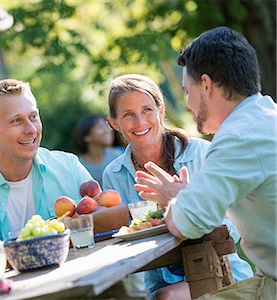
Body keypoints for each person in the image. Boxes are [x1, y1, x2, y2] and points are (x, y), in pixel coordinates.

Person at [134, 27, 276, 299]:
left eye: (188, 91)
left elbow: (186, 224)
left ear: (207, 85)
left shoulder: (238, 138)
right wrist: (187, 197)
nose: (187, 103)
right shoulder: (264, 115)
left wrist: (174, 200)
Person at [103, 74, 253, 299]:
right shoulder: (114, 175)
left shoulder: (200, 153)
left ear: (160, 111)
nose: (140, 122)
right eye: (128, 115)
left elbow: (232, 229)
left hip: (220, 272)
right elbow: (122, 240)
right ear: (114, 122)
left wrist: (187, 205)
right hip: (161, 281)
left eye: (147, 110)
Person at [0, 79, 92, 240]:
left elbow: (108, 214)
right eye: (16, 121)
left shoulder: (69, 166)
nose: (31, 129)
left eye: (33, 116)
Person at [73, 114, 123, 185]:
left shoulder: (119, 156)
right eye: (100, 127)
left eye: (107, 126)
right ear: (86, 137)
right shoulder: (78, 166)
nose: (107, 130)